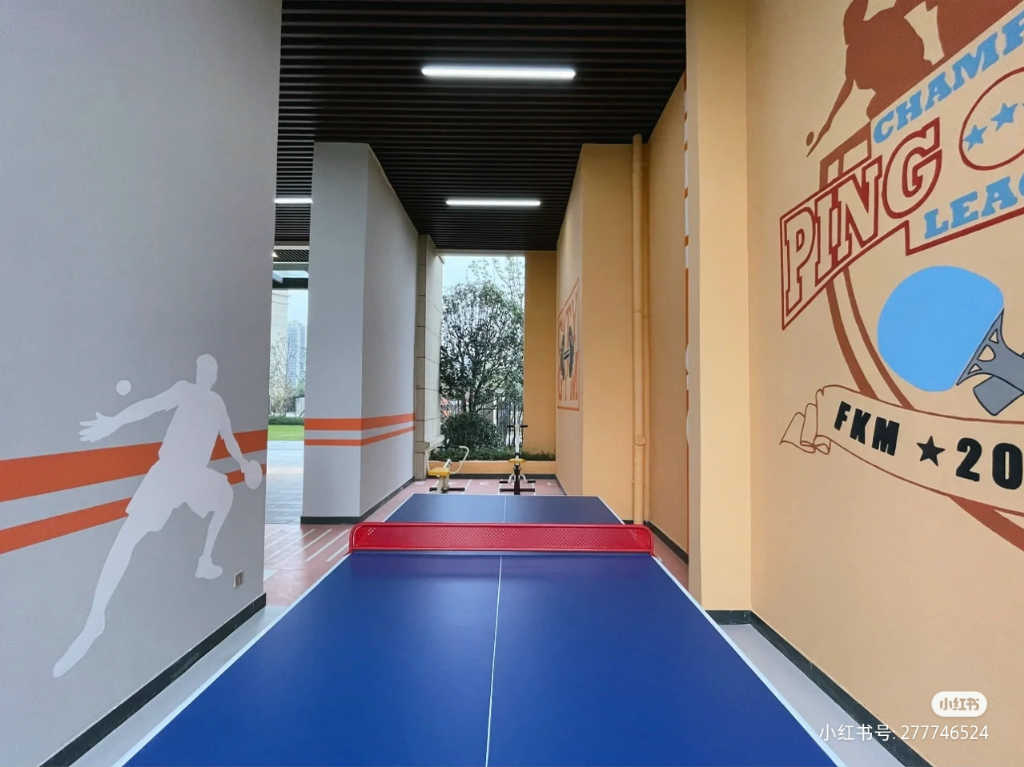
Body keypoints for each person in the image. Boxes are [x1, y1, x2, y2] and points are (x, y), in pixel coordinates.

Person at [53, 354, 261, 678]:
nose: (206, 373)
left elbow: (229, 438)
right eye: (203, 368)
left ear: (214, 375)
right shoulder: (184, 390)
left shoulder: (217, 403)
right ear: (199, 373)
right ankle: (96, 618)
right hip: (167, 473)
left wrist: (244, 463)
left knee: (225, 494)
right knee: (127, 538)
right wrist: (115, 421)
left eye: (211, 369)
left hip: (194, 475)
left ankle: (204, 560)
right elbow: (147, 406)